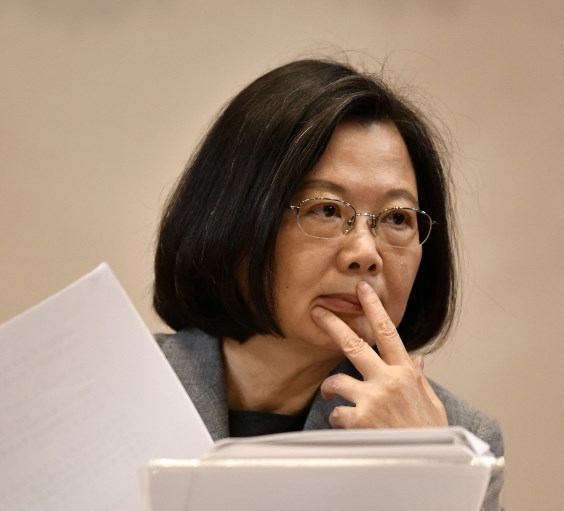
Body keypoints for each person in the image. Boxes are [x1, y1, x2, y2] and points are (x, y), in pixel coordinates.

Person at [152, 58, 504, 510]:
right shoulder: (110, 388)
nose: (365, 253)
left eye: (397, 218)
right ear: (235, 220)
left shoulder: (460, 440)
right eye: (327, 209)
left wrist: (431, 479)